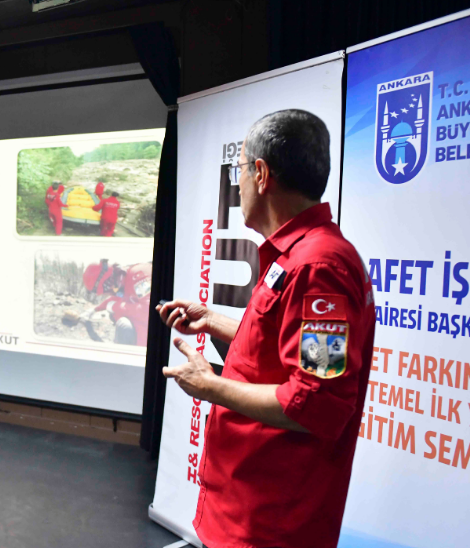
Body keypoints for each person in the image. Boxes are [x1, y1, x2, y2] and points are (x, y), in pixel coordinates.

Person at [157, 110, 375, 548]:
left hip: (271, 520)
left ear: (260, 174)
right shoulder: (296, 256)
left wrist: (208, 385)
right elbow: (280, 345)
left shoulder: (318, 267)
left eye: (238, 170)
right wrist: (212, 320)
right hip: (243, 503)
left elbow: (317, 402)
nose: (237, 184)